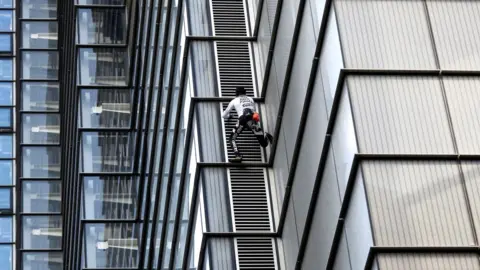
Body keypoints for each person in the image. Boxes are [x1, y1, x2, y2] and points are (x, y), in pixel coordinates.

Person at [222, 86, 273, 162]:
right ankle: (266, 135)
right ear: (244, 92)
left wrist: (229, 116)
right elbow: (254, 110)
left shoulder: (234, 100)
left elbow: (223, 115)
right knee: (264, 144)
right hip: (252, 119)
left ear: (236, 93)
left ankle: (238, 156)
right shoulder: (250, 99)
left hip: (242, 120)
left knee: (232, 139)